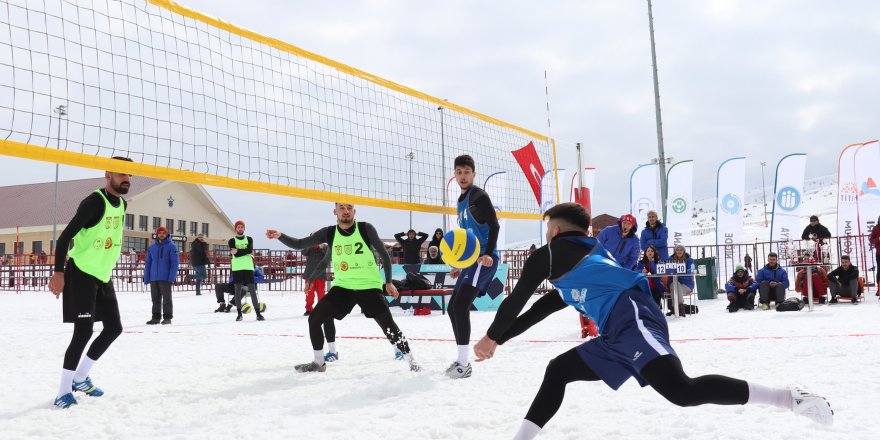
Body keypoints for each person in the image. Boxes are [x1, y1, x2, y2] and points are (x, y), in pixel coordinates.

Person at [472, 203, 833, 439]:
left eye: (547, 225)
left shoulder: (551, 255)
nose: (546, 231)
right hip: (617, 328)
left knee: (682, 391)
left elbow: (515, 301)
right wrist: (498, 340)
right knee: (558, 370)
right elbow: (537, 310)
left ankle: (792, 399)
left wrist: (490, 336)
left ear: (554, 229)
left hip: (630, 314)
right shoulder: (578, 262)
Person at [266, 202, 420, 372]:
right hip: (343, 287)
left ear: (355, 211)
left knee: (388, 326)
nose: (345, 211)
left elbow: (384, 254)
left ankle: (412, 362)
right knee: (314, 319)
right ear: (335, 211)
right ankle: (319, 363)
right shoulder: (329, 233)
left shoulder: (365, 228)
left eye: (349, 208)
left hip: (368, 286)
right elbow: (300, 244)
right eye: (342, 208)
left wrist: (389, 282)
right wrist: (280, 235)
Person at [47, 156, 133, 409]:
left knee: (114, 328)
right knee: (83, 332)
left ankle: (81, 378)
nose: (126, 179)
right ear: (108, 174)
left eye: (129, 175)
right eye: (121, 174)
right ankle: (63, 391)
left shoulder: (122, 204)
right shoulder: (94, 202)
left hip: (103, 275)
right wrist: (59, 273)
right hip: (81, 273)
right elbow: (64, 239)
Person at [445, 154, 500, 379]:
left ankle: (463, 363)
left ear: (473, 174)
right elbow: (467, 238)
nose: (463, 176)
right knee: (452, 309)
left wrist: (487, 254)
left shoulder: (479, 197)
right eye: (459, 172)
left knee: (460, 307)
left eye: (467, 172)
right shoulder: (461, 200)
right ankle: (461, 360)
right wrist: (460, 263)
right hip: (472, 261)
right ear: (455, 175)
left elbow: (494, 226)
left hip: (484, 259)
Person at [229, 220, 264, 322]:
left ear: (244, 228)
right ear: (235, 229)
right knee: (238, 291)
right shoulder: (232, 240)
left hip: (248, 267)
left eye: (242, 227)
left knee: (252, 291)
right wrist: (243, 252)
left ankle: (258, 314)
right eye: (238, 227)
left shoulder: (249, 239)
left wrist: (238, 251)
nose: (240, 228)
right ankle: (239, 314)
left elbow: (249, 250)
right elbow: (235, 254)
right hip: (237, 268)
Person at [144, 226, 179, 325]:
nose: (162, 235)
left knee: (167, 299)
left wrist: (171, 276)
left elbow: (174, 263)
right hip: (154, 278)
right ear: (157, 234)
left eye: (164, 233)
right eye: (160, 233)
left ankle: (167, 318)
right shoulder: (152, 247)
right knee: (155, 299)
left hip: (165, 277)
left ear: (167, 234)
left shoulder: (172, 246)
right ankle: (156, 317)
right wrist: (147, 277)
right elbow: (148, 263)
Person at [665, 244, 695, 315]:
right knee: (675, 285)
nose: (679, 251)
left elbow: (691, 270)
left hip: (686, 284)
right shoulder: (670, 260)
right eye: (677, 250)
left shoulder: (690, 260)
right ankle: (680, 307)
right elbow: (667, 270)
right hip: (673, 283)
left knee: (676, 287)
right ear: (675, 251)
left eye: (681, 250)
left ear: (684, 251)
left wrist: (682, 271)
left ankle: (675, 308)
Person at [302, 242, 328, 316]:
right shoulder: (309, 245)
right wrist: (312, 246)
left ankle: (321, 309)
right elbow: (303, 252)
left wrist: (322, 248)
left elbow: (330, 254)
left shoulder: (325, 246)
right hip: (309, 274)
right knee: (309, 293)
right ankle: (309, 309)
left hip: (320, 274)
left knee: (321, 293)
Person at [869, 217, 880, 285]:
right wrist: (878, 238)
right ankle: (879, 288)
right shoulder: (876, 228)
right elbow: (871, 240)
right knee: (879, 270)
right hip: (879, 253)